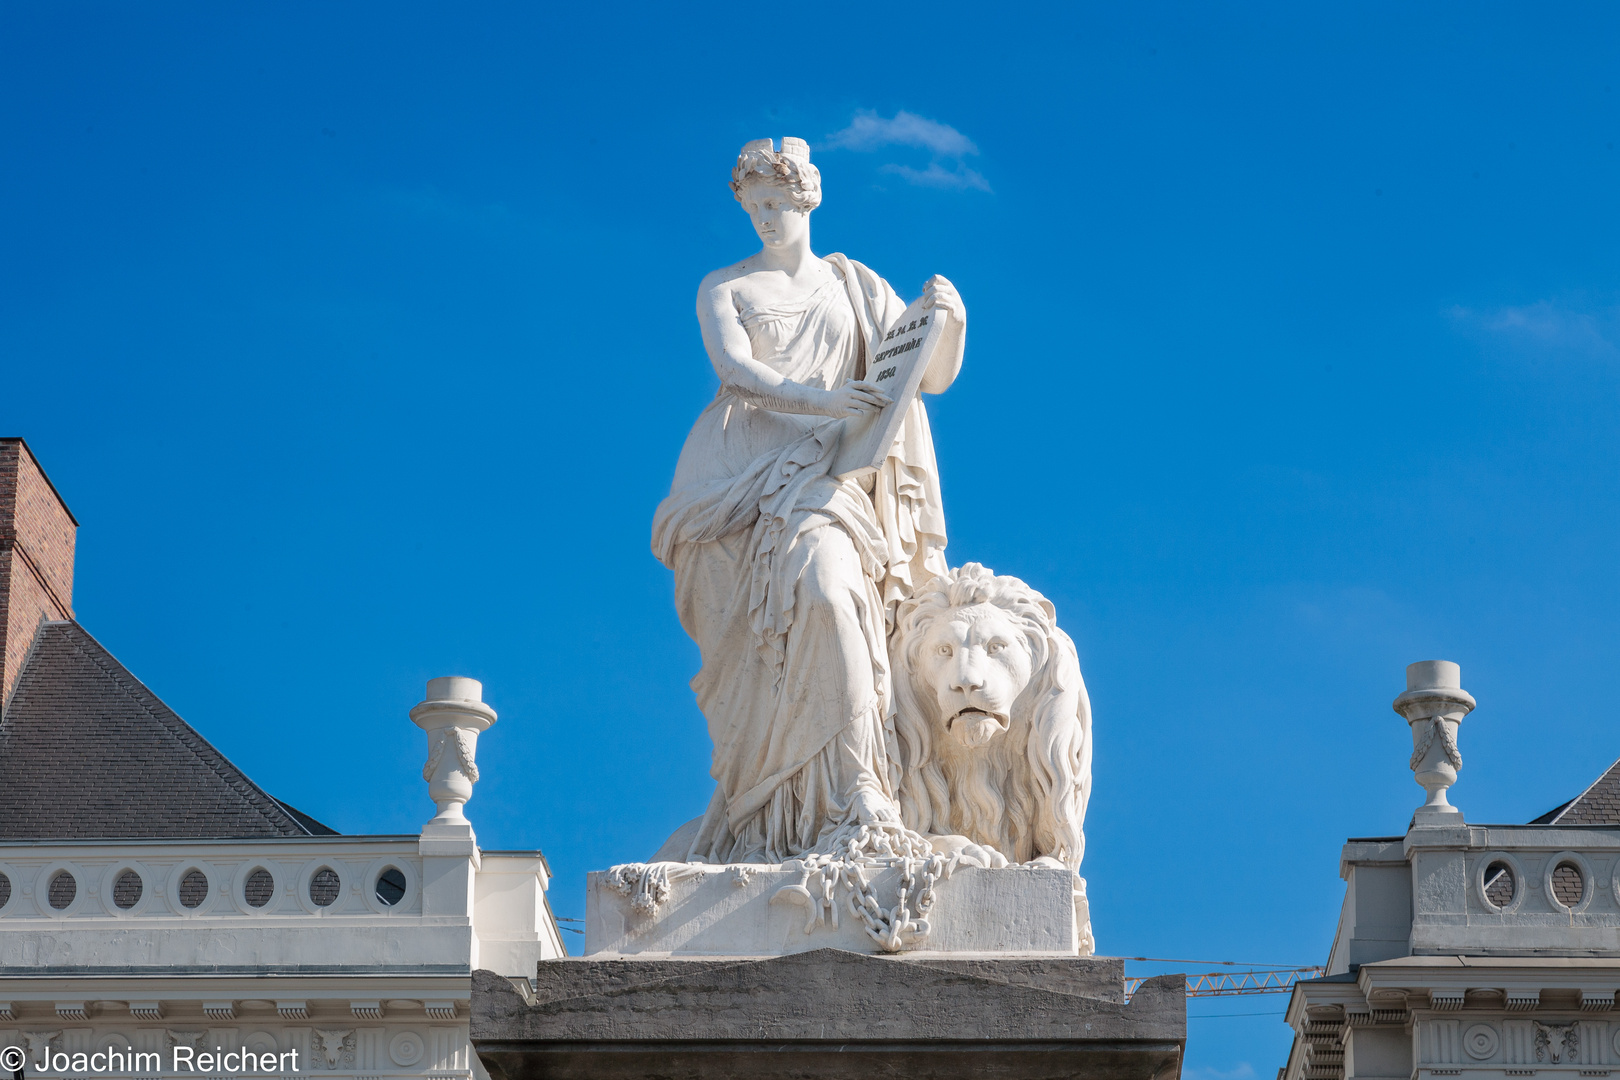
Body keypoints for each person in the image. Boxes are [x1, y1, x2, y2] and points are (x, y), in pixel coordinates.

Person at [651, 137, 966, 864]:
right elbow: (737, 370)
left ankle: (861, 793)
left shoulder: (853, 285)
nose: (763, 218)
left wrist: (949, 319)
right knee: (752, 669)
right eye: (752, 205)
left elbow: (930, 375)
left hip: (825, 479)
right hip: (729, 483)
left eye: (776, 204)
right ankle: (762, 809)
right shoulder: (723, 287)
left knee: (830, 595)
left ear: (807, 200)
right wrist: (827, 402)